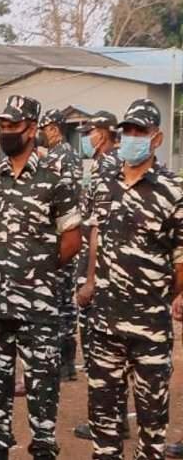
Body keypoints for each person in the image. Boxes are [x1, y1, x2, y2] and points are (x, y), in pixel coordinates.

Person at [70, 100, 183, 460]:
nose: (131, 137)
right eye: (126, 130)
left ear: (155, 138)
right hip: (105, 321)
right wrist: (91, 281)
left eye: (139, 131)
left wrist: (171, 295)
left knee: (152, 415)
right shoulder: (103, 184)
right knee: (104, 412)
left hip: (150, 326)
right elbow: (95, 237)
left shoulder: (173, 191)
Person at [0, 95, 81, 460]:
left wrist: (35, 271)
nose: (5, 132)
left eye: (12, 125)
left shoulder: (56, 177)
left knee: (42, 394)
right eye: (1, 125)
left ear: (31, 129)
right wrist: (8, 260)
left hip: (39, 309)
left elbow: (71, 242)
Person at [72, 111, 126, 441]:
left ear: (103, 134)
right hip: (112, 268)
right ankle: (115, 418)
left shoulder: (106, 166)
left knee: (98, 346)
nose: (87, 136)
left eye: (91, 131)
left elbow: (97, 228)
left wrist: (90, 279)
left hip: (100, 268)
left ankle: (108, 421)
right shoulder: (111, 163)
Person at [38, 108, 83, 381]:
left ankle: (57, 361)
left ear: (54, 129)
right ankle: (68, 363)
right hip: (70, 231)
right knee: (66, 301)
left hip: (56, 235)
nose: (43, 135)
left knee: (54, 301)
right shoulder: (74, 155)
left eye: (45, 130)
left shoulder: (56, 156)